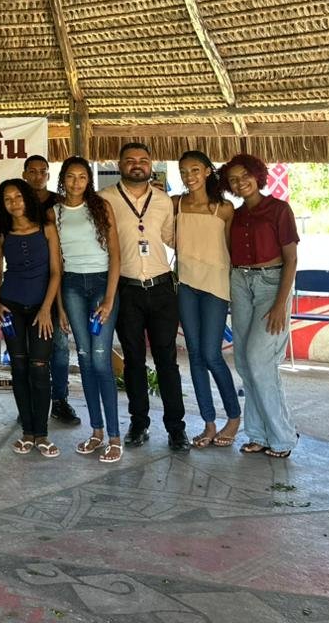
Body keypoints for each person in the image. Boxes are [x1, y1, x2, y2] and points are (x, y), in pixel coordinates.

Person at [100, 142, 189, 452]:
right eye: (130, 160)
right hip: (126, 289)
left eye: (143, 160)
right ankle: (139, 424)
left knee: (167, 361)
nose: (137, 164)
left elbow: (171, 238)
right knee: (134, 361)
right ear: (119, 164)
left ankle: (176, 428)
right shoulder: (104, 199)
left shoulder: (164, 201)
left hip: (162, 288)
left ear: (151, 164)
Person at [221, 153, 299, 458]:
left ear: (257, 175)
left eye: (245, 175)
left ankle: (282, 437)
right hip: (240, 283)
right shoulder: (236, 214)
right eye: (233, 180)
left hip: (271, 283)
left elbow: (291, 259)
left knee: (259, 359)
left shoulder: (279, 209)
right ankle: (257, 434)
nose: (240, 183)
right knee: (243, 361)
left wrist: (280, 304)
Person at [0, 179, 62, 458]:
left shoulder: (47, 228)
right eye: (7, 199)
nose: (14, 203)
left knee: (40, 367)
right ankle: (27, 432)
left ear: (27, 198)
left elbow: (56, 272)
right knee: (19, 367)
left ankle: (42, 433)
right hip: (12, 307)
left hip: (43, 307)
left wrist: (46, 309)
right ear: (2, 205)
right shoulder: (1, 234)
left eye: (18, 196)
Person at [57, 156, 123, 463]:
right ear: (63, 179)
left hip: (101, 284)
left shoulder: (101, 207)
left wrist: (109, 298)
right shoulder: (55, 212)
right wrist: (60, 307)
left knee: (100, 358)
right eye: (71, 177)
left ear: (89, 180)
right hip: (71, 285)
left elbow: (116, 255)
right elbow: (56, 264)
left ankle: (114, 437)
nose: (76, 182)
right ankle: (96, 432)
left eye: (82, 177)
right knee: (83, 356)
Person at [175, 150, 241, 449]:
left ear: (207, 171)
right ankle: (209, 423)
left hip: (215, 286)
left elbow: (232, 250)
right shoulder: (177, 204)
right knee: (195, 356)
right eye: (183, 171)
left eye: (194, 170)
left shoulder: (224, 209)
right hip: (187, 285)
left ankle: (234, 417)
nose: (189, 176)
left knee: (212, 354)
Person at [23, 154, 79, 427]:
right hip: (24, 283)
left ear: (48, 174)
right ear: (24, 174)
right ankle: (31, 401)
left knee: (58, 345)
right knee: (27, 348)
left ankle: (59, 400)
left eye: (42, 171)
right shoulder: (16, 201)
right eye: (32, 171)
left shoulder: (59, 204)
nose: (37, 176)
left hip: (57, 280)